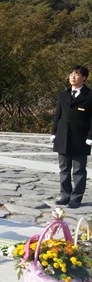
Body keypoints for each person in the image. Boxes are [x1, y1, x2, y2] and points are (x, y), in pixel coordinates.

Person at [51, 65, 92, 209]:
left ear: (84, 78)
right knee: (64, 169)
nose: (72, 77)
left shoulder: (89, 96)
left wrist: (90, 136)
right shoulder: (63, 95)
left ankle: (76, 198)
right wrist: (53, 132)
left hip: (81, 139)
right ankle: (65, 195)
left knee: (79, 170)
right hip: (63, 138)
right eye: (71, 74)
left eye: (76, 74)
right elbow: (58, 115)